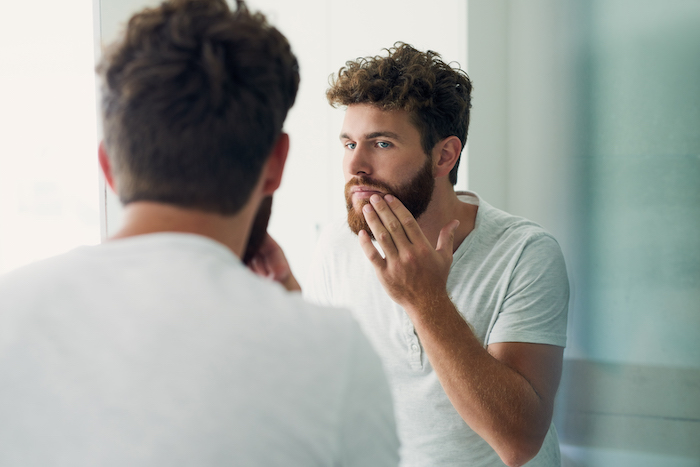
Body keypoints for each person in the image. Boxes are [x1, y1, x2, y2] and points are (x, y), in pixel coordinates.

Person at [0, 1, 399, 465]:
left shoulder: (9, 311)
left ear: (108, 164)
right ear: (276, 164)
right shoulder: (335, 356)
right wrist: (296, 322)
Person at [253, 43, 569, 467]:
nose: (355, 166)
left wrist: (425, 300)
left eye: (381, 144)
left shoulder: (524, 254)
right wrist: (287, 294)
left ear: (444, 156)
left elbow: (518, 441)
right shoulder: (339, 243)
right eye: (349, 144)